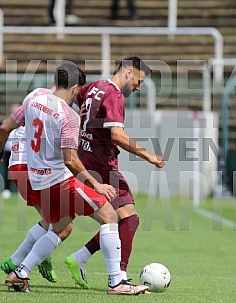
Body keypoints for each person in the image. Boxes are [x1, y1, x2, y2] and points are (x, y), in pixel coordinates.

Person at [0, 62, 149, 295]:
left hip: (37, 179)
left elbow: (4, 128)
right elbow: (70, 160)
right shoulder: (68, 115)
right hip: (60, 180)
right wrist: (96, 184)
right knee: (109, 215)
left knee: (61, 227)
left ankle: (19, 272)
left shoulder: (33, 99)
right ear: (74, 88)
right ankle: (116, 282)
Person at [64, 56, 165, 289]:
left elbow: (70, 102)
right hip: (101, 166)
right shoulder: (114, 94)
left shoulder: (93, 87)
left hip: (86, 159)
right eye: (139, 81)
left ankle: (78, 258)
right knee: (129, 219)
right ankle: (118, 277)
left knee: (117, 218)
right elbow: (117, 136)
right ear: (128, 73)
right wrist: (149, 155)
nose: (138, 87)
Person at [0, 89, 59, 283]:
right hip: (30, 167)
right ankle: (20, 262)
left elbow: (4, 128)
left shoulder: (28, 109)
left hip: (17, 166)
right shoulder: (46, 110)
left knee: (49, 218)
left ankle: (28, 259)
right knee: (57, 221)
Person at [1, 103, 21, 200]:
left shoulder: (24, 123)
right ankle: (7, 189)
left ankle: (21, 191)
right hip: (8, 149)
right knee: (7, 171)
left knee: (21, 171)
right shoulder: (6, 122)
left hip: (20, 150)